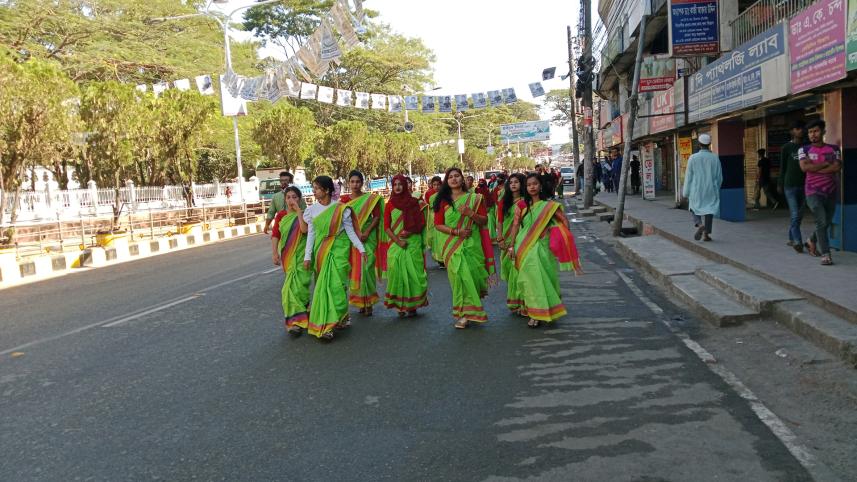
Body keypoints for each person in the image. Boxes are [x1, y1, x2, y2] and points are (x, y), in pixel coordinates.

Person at [506, 173, 583, 328]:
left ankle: (542, 311)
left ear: (540, 186)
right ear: (525, 188)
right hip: (523, 246)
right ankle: (535, 312)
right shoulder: (521, 205)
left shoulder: (549, 206)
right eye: (528, 185)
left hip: (542, 246)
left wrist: (560, 235)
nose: (532, 187)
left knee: (543, 278)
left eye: (535, 184)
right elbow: (515, 227)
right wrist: (511, 245)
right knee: (530, 280)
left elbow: (564, 221)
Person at [303, 176, 367, 341]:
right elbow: (311, 234)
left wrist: (361, 248)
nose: (314, 191)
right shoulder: (311, 211)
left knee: (337, 287)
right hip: (321, 253)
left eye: (316, 188)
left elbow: (350, 231)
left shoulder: (341, 209)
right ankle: (326, 325)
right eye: (314, 188)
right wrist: (307, 256)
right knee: (323, 289)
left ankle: (339, 317)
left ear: (326, 190)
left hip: (339, 252)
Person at [433, 167, 495, 329]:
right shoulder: (443, 200)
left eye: (457, 176)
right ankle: (465, 314)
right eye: (450, 177)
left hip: (472, 245)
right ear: (446, 181)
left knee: (473, 278)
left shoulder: (475, 199)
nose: (454, 179)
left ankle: (471, 307)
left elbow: (483, 221)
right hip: (452, 246)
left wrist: (470, 214)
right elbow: (438, 225)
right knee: (460, 279)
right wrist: (457, 231)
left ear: (462, 179)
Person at [383, 175, 429, 317]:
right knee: (396, 273)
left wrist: (409, 231)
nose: (397, 187)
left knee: (412, 274)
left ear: (405, 185)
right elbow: (386, 227)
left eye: (400, 184)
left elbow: (421, 223)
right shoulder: (389, 205)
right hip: (396, 244)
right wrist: (398, 241)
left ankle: (412, 304)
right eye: (395, 184)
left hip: (412, 242)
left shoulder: (414, 203)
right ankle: (400, 304)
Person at [340, 170, 384, 316]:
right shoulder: (344, 201)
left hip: (368, 236)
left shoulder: (370, 199)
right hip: (352, 238)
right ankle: (360, 301)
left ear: (362, 183)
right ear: (348, 183)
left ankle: (369, 302)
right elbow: (342, 221)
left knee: (367, 268)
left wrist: (366, 232)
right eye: (352, 182)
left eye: (358, 182)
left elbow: (376, 217)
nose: (355, 184)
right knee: (356, 270)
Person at [799, 120, 841, 266]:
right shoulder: (803, 150)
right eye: (810, 132)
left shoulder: (834, 149)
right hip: (812, 191)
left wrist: (814, 167)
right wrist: (824, 164)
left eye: (816, 131)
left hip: (831, 191)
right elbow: (804, 168)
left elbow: (836, 168)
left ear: (823, 131)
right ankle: (826, 254)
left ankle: (811, 240)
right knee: (821, 221)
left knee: (826, 222)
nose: (813, 135)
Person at [270, 186, 311, 336]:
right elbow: (275, 235)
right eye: (288, 197)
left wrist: (299, 212)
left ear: (299, 199)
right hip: (288, 256)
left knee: (300, 288)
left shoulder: (306, 213)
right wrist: (274, 253)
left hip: (302, 256)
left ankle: (303, 311)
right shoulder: (281, 216)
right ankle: (294, 322)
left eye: (294, 197)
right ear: (285, 200)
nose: (291, 200)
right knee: (288, 289)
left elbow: (304, 230)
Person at [682, 134, 723, 242]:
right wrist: (716, 188)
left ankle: (699, 224)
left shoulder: (693, 158)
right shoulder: (715, 158)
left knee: (693, 207)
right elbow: (719, 177)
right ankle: (706, 234)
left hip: (696, 190)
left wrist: (686, 192)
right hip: (711, 189)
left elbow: (688, 177)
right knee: (709, 210)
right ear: (709, 144)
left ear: (699, 145)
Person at [496, 173, 526, 314]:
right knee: (508, 270)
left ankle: (522, 302)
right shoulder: (504, 201)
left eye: (517, 182)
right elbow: (500, 221)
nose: (513, 184)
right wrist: (500, 238)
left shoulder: (526, 201)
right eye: (511, 182)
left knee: (518, 270)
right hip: (506, 240)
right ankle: (516, 299)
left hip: (521, 239)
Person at [779, 120, 807, 253]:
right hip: (789, 185)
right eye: (797, 128)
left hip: (805, 185)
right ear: (792, 131)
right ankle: (798, 242)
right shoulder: (786, 148)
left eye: (801, 128)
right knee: (795, 214)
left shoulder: (807, 146)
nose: (800, 130)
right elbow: (782, 167)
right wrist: (780, 184)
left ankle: (791, 237)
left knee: (799, 215)